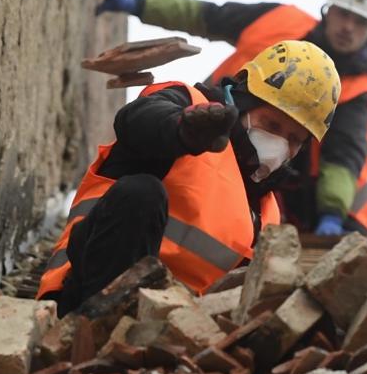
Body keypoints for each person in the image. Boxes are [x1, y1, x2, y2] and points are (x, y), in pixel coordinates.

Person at [91, 0, 367, 237]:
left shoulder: (358, 91)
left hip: (277, 179)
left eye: (361, 22)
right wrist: (138, 6)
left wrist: (331, 212)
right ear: (328, 10)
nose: (348, 28)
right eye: (344, 14)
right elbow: (207, 16)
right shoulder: (278, 21)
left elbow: (343, 159)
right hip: (206, 127)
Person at [38, 40, 340, 314]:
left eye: (294, 139)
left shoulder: (266, 213)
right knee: (141, 194)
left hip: (165, 331)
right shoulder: (188, 104)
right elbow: (137, 121)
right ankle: (95, 327)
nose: (280, 145)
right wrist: (182, 131)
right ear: (242, 101)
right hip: (82, 293)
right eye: (272, 124)